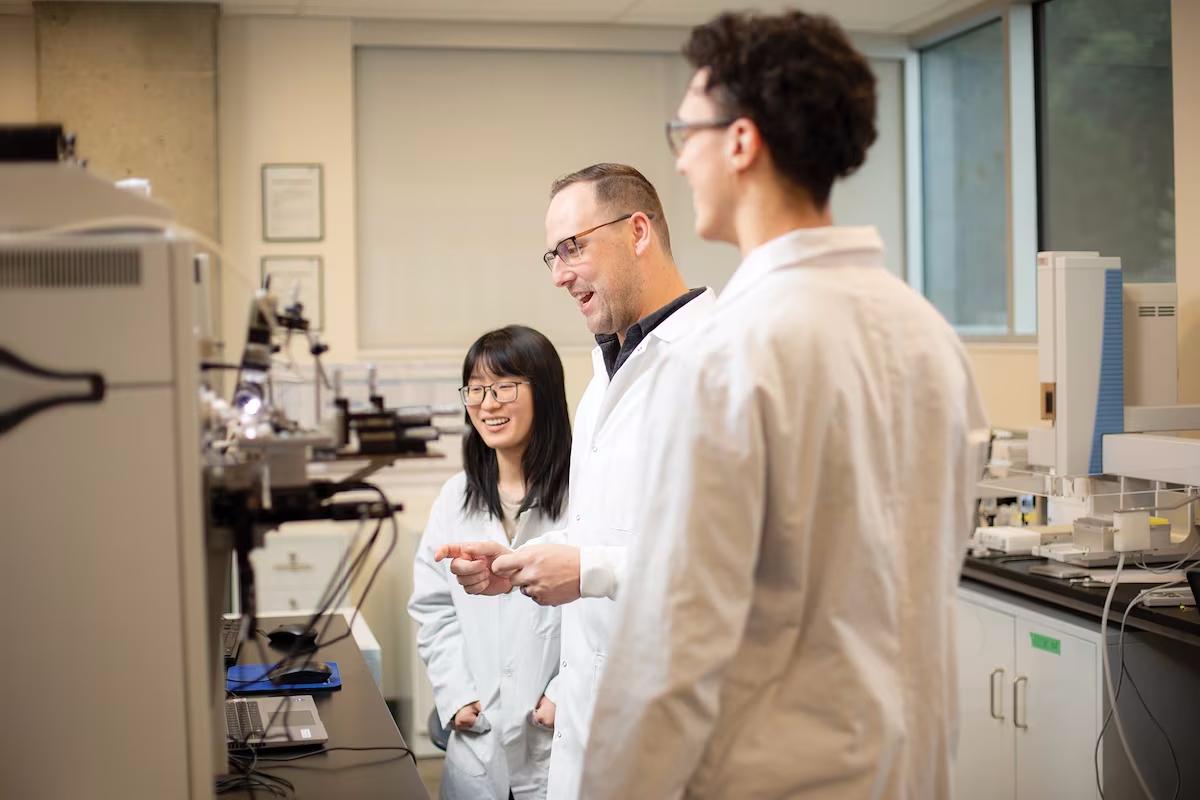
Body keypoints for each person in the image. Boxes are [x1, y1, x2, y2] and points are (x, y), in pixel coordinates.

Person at [578, 12, 990, 800]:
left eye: (685, 130)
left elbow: (671, 646)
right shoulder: (929, 336)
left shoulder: (726, 353)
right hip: (906, 774)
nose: (682, 159)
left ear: (740, 141)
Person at [435, 164, 716, 799]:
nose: (559, 274)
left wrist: (587, 571)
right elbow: (605, 535)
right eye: (551, 255)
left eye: (573, 247)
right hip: (593, 736)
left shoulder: (716, 367)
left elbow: (735, 566)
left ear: (638, 230)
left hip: (676, 734)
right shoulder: (604, 384)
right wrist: (519, 564)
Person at [409, 325, 572, 800]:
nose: (488, 403)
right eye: (476, 389)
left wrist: (567, 691)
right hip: (477, 746)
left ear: (542, 391)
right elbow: (434, 607)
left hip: (558, 739)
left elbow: (611, 611)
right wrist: (457, 692)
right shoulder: (455, 499)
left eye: (504, 387)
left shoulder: (585, 493)